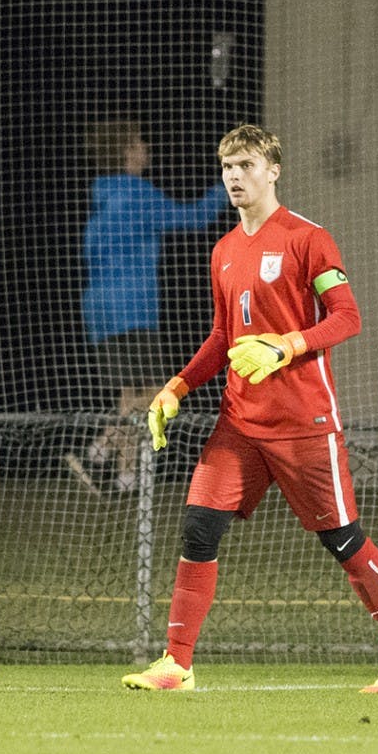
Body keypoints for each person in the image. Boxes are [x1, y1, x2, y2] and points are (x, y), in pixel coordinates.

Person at [121, 123, 378, 693]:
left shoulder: (308, 238)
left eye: (245, 165)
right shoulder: (223, 250)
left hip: (303, 423)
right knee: (198, 528)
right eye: (227, 167)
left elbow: (347, 317)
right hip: (240, 422)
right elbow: (223, 336)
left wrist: (286, 345)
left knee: (343, 540)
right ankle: (176, 664)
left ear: (273, 171)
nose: (234, 177)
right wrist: (176, 387)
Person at [65, 120, 227, 495]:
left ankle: (123, 475)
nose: (145, 148)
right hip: (131, 308)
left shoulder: (103, 198)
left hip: (99, 311)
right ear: (126, 153)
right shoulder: (136, 195)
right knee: (155, 392)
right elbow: (194, 218)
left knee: (129, 394)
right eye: (138, 143)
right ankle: (98, 449)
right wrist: (228, 187)